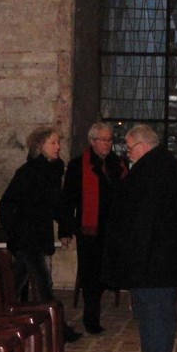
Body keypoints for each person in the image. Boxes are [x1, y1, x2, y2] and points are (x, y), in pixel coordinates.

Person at [103, 124, 177, 352]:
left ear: (142, 147)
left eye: (130, 148)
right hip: (166, 259)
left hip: (153, 261)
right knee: (162, 313)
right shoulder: (167, 167)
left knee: (152, 314)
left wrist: (131, 258)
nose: (127, 154)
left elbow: (141, 221)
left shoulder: (150, 172)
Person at [0, 127, 81, 342]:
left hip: (35, 235)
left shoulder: (51, 172)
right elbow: (6, 205)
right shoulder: (29, 172)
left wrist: (65, 226)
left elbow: (56, 205)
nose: (58, 147)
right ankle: (58, 330)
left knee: (16, 283)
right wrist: (14, 231)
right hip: (26, 237)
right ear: (40, 146)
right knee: (44, 285)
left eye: (58, 142)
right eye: (53, 143)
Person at [59, 121, 127, 334]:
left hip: (113, 230)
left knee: (108, 272)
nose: (108, 144)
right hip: (89, 230)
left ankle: (97, 311)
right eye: (103, 140)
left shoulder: (119, 165)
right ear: (93, 141)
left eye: (110, 140)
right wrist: (65, 229)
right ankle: (91, 320)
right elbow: (67, 199)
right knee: (90, 275)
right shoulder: (78, 165)